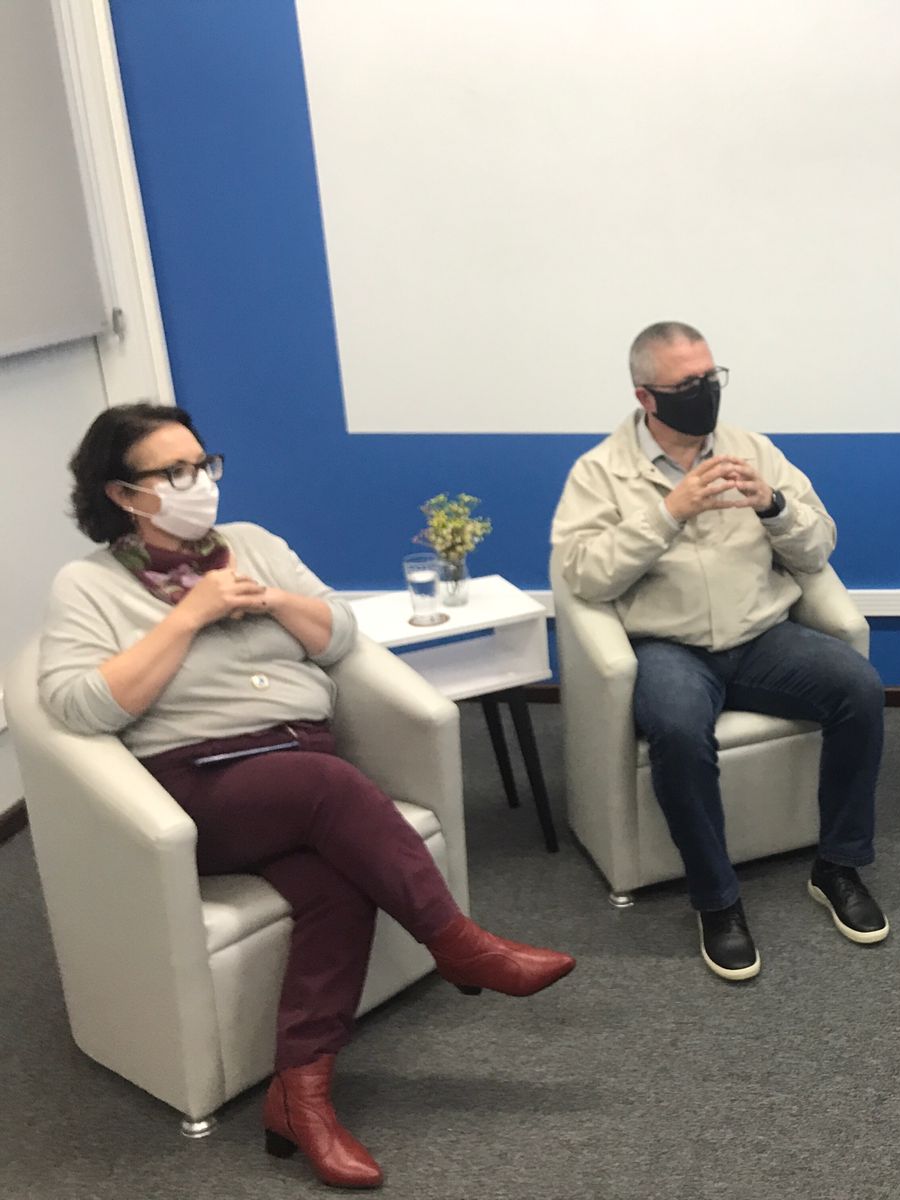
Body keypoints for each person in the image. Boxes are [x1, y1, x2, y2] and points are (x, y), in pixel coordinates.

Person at [38, 403, 575, 1190]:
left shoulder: (253, 543)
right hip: (200, 782)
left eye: (203, 465)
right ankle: (459, 943)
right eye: (173, 473)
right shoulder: (88, 585)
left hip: (297, 757)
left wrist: (274, 602)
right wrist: (188, 618)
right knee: (330, 785)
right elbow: (79, 706)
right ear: (123, 494)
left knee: (335, 890)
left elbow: (340, 634)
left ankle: (300, 1098)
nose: (199, 483)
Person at [550, 321, 888, 981]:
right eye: (688, 385)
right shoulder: (599, 472)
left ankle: (839, 865)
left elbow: (818, 546)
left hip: (762, 637)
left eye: (711, 378)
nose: (705, 393)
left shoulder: (752, 449)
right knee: (678, 729)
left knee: (860, 689)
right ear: (646, 397)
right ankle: (717, 901)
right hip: (667, 648)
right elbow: (584, 575)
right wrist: (667, 513)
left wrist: (773, 505)